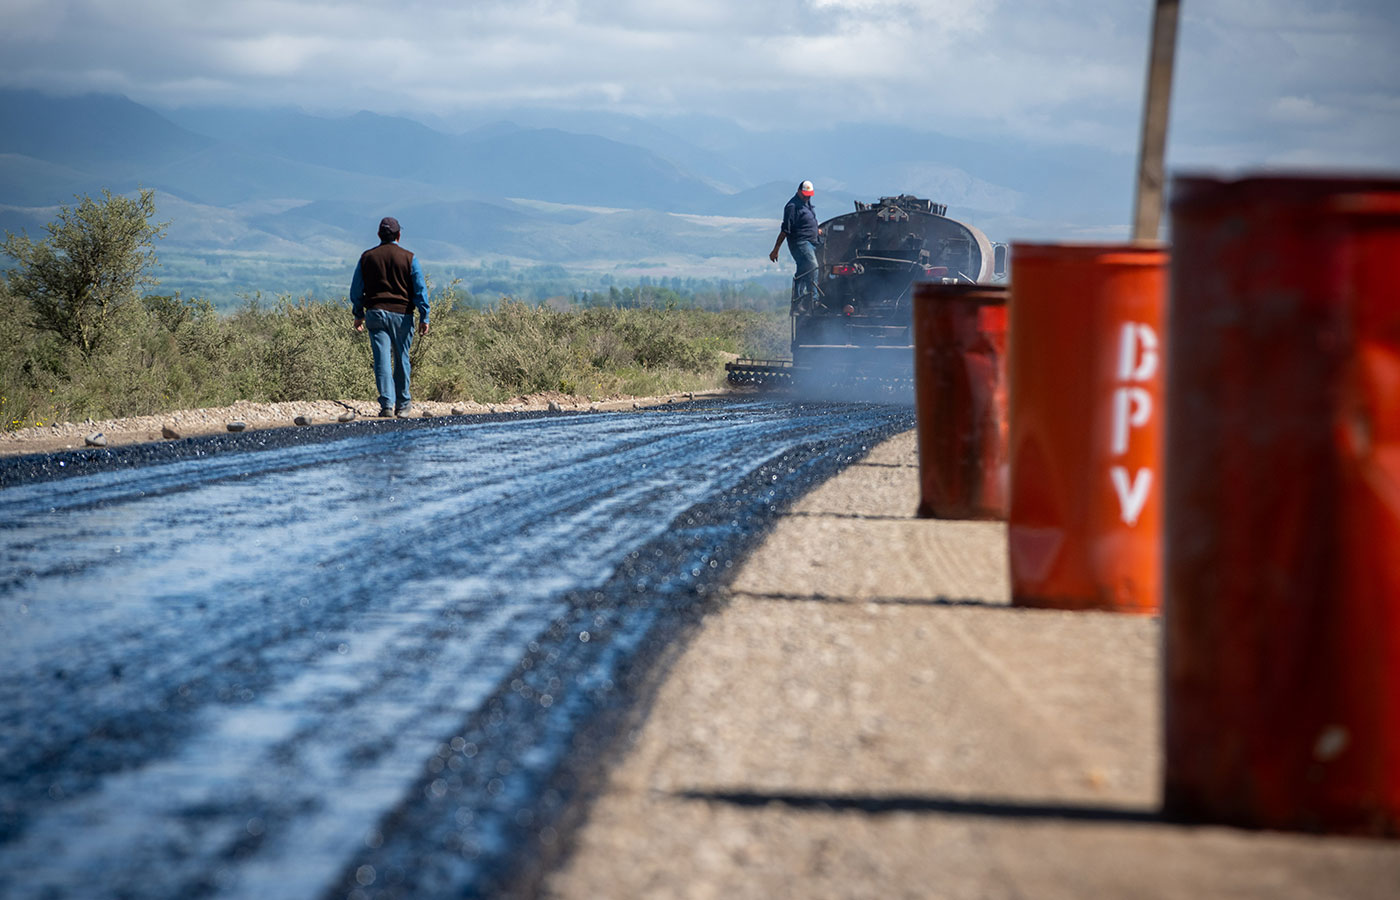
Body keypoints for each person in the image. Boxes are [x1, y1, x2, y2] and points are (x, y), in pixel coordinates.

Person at [351, 217, 430, 417]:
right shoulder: (409, 258)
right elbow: (420, 290)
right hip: (402, 315)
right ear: (398, 235)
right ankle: (403, 405)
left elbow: (356, 290)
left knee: (382, 360)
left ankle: (386, 404)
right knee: (402, 358)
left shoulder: (366, 257)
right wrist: (424, 316)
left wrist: (358, 313)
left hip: (375, 313)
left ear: (379, 235)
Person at [769, 180, 821, 308]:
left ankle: (798, 302)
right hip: (800, 242)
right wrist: (776, 249)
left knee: (803, 270)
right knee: (813, 265)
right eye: (805, 195)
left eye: (809, 195)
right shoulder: (792, 207)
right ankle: (813, 299)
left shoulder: (807, 203)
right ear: (798, 191)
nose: (807, 197)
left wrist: (816, 229)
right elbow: (785, 230)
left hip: (812, 242)